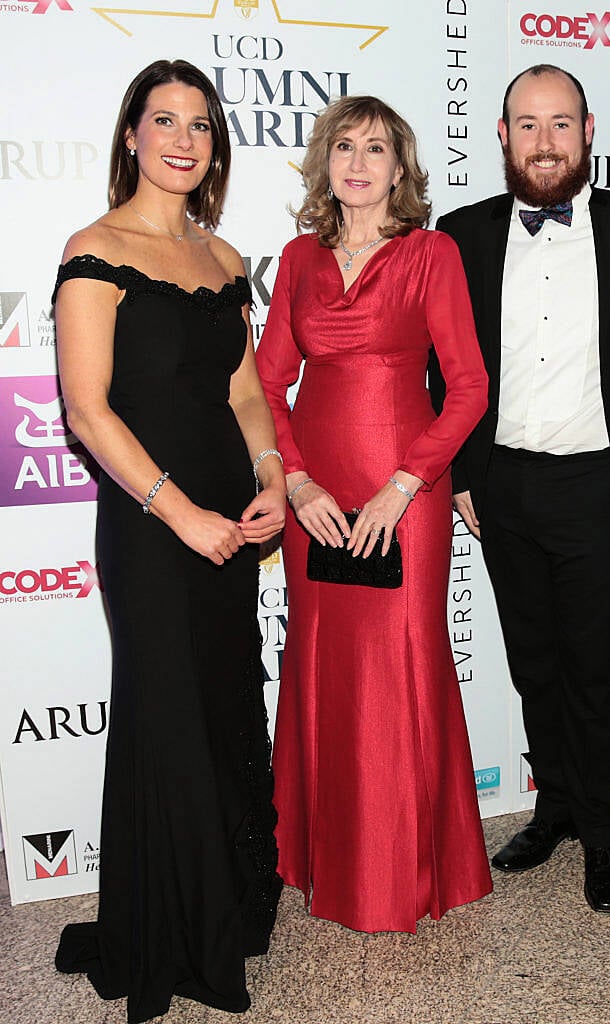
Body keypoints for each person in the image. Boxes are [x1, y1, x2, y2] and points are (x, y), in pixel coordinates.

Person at [52, 60, 284, 1021]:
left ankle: (226, 907)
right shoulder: (93, 249)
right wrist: (177, 509)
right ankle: (171, 934)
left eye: (199, 123)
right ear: (131, 137)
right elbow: (87, 409)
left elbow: (241, 392)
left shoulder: (226, 259)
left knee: (228, 706)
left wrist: (272, 473)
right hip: (154, 529)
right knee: (170, 716)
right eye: (164, 120)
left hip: (233, 522)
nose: (183, 139)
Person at [430, 65, 610, 914]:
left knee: (597, 670)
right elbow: (439, 365)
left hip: (601, 488)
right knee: (534, 664)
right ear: (500, 135)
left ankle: (603, 833)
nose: (544, 141)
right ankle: (556, 807)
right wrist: (461, 474)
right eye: (526, 125)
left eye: (560, 123)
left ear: (589, 128)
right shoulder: (458, 235)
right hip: (503, 486)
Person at [254, 94, 492, 934]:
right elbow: (263, 384)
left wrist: (404, 484)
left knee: (400, 660)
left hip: (406, 495)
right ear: (325, 162)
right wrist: (297, 481)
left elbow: (466, 387)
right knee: (320, 661)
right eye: (344, 146)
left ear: (401, 168)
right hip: (314, 500)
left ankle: (403, 870)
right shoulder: (297, 259)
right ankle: (316, 858)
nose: (358, 162)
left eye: (377, 148)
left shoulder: (431, 254)